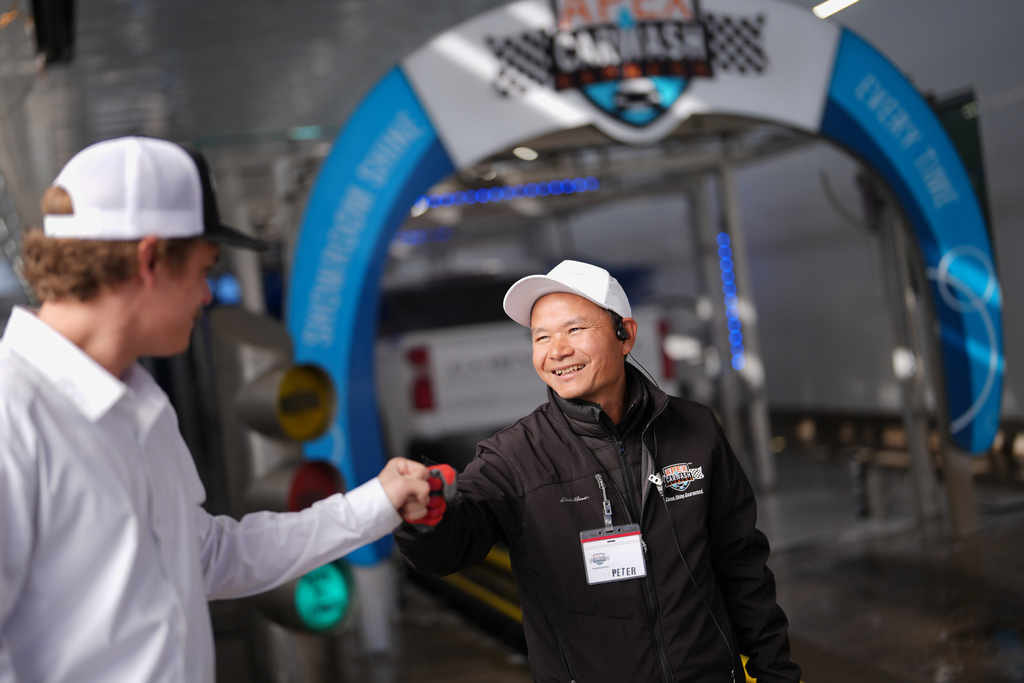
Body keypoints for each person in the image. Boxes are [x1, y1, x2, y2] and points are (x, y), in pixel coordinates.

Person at [0, 136, 432, 683]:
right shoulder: (12, 416)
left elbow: (204, 557)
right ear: (150, 258)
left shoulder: (139, 408)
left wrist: (377, 505)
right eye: (204, 269)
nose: (207, 296)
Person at [395, 259, 802, 682]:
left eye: (574, 329)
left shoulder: (696, 429)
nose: (557, 351)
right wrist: (427, 517)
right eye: (542, 337)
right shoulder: (513, 457)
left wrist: (776, 672)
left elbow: (742, 564)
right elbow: (449, 549)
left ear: (625, 335)